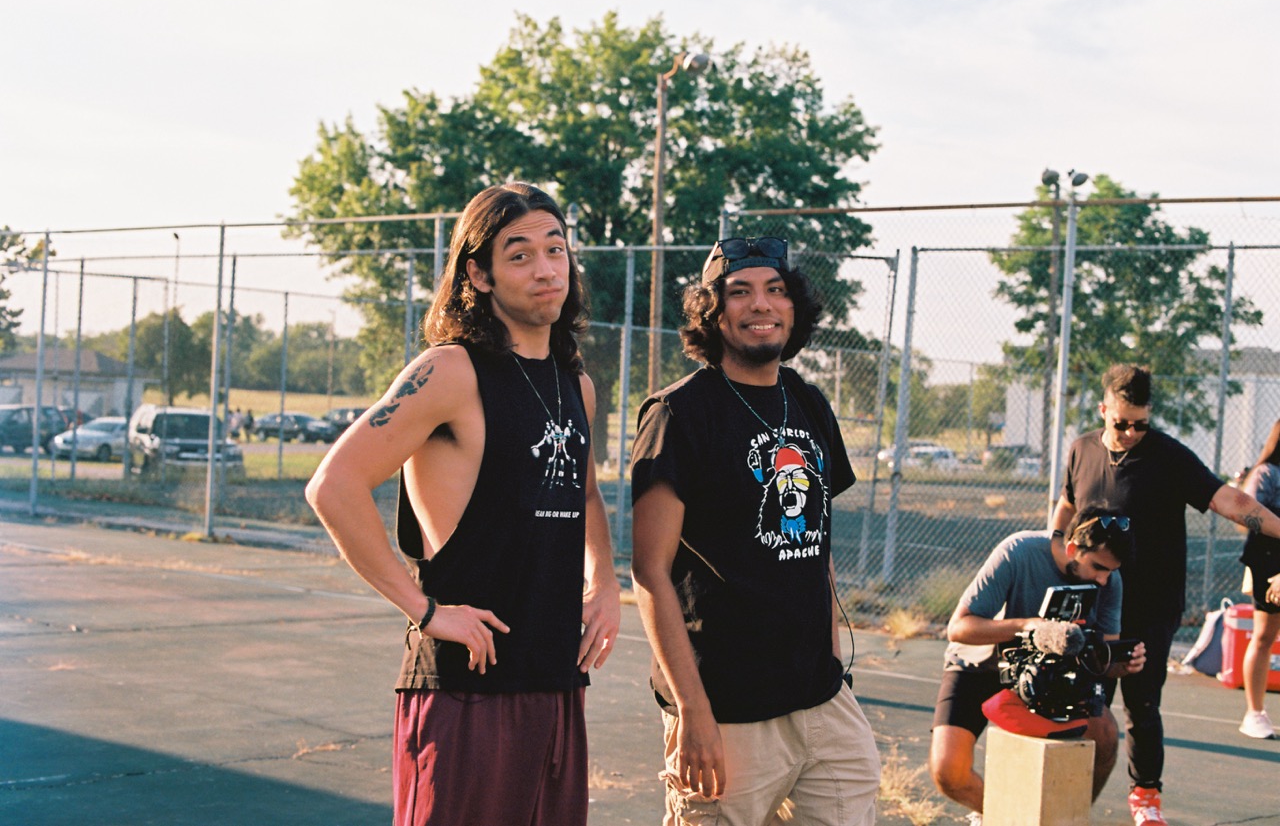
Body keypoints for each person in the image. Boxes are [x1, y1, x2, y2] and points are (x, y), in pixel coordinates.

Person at [305, 182, 621, 826]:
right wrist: (425, 610)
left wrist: (607, 583)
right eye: (519, 255)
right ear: (478, 274)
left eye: (555, 249)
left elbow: (584, 491)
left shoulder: (576, 384)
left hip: (555, 682)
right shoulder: (450, 371)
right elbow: (333, 485)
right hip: (467, 691)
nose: (545, 269)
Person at [630, 237, 881, 825]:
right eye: (739, 292)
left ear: (795, 308)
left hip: (820, 700)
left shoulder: (808, 402)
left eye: (776, 290)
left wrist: (831, 661)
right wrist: (693, 710)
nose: (760, 304)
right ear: (712, 313)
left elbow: (817, 545)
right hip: (725, 709)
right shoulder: (678, 414)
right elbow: (649, 572)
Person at [1051, 363, 1280, 824]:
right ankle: (1063, 797)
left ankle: (1146, 798)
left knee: (1141, 702)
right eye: (1122, 423)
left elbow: (1229, 500)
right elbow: (1068, 503)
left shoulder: (1168, 456)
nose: (1131, 433)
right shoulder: (1081, 450)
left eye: (1141, 424)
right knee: (1082, 703)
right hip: (1092, 602)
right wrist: (1055, 544)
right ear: (1103, 410)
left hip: (1150, 607)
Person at [929, 511, 1147, 822]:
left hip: (1047, 675)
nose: (1103, 579)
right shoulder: (1019, 551)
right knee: (948, 772)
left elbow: (1105, 658)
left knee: (1105, 735)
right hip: (982, 663)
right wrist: (1027, 626)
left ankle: (1064, 818)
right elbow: (959, 628)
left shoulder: (1109, 579)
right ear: (1072, 548)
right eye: (1098, 567)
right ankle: (1002, 814)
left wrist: (1124, 663)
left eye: (1111, 571)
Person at [1238, 418, 1280, 738]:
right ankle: (1254, 713)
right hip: (1268, 562)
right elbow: (1245, 518)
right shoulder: (1267, 474)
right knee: (1264, 635)